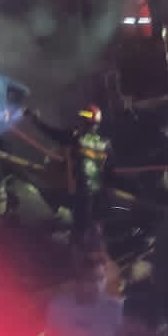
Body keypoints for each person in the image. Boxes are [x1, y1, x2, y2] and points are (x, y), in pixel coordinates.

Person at [29, 104, 114, 247]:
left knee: (80, 231)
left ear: (84, 121)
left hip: (82, 192)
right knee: (95, 230)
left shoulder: (75, 137)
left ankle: (76, 250)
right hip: (100, 194)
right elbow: (110, 170)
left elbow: (52, 133)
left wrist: (35, 120)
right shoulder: (107, 144)